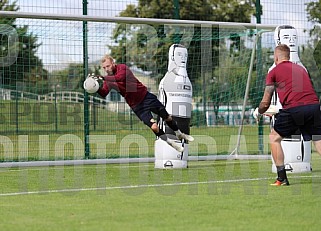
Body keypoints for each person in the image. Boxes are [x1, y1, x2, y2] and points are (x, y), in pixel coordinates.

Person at [253, 44, 321, 186]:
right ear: (288, 56)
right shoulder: (301, 69)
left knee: (274, 137)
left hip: (294, 108)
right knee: (318, 139)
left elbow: (266, 102)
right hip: (314, 106)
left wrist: (258, 112)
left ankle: (282, 177)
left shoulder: (274, 71)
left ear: (276, 57)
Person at [96, 55, 194, 152]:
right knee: (154, 127)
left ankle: (179, 133)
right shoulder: (108, 80)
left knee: (167, 117)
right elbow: (104, 93)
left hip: (146, 97)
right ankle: (171, 143)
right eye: (104, 67)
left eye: (108, 66)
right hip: (136, 106)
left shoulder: (122, 68)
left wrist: (103, 78)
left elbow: (120, 78)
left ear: (113, 63)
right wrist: (94, 87)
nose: (106, 69)